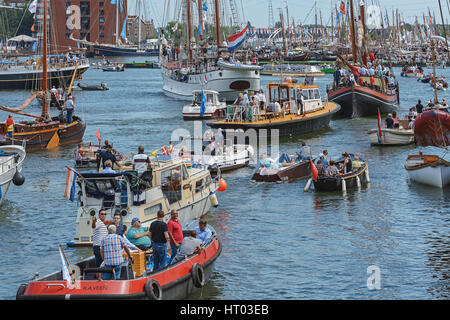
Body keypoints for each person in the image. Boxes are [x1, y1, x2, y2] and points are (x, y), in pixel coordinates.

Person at [92, 208, 109, 279]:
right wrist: (93, 222)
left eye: (105, 214)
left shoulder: (102, 223)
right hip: (98, 247)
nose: (103, 215)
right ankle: (99, 279)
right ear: (99, 215)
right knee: (100, 264)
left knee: (100, 264)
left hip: (100, 247)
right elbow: (94, 226)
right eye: (102, 214)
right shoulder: (98, 221)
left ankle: (99, 278)